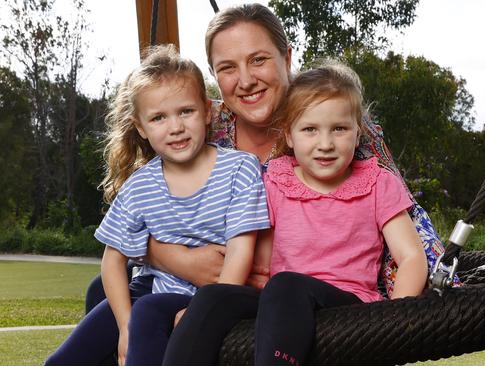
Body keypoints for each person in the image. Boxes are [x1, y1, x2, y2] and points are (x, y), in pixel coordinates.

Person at [85, 2, 446, 363]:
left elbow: (409, 235)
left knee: (276, 293)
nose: (245, 80)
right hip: (211, 281)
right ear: (214, 76)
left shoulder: (342, 123)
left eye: (258, 60)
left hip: (309, 289)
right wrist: (177, 259)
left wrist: (398, 309)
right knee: (104, 291)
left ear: (287, 58)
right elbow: (146, 212)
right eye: (228, 67)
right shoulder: (195, 122)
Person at [162, 61, 428, 366]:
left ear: (357, 134)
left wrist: (392, 323)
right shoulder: (276, 180)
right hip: (280, 302)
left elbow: (411, 257)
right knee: (211, 299)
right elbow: (261, 265)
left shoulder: (377, 182)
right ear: (289, 135)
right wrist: (202, 313)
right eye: (310, 130)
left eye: (339, 129)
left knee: (288, 284)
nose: (325, 144)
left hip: (348, 306)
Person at [45, 45, 270, 366]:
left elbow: (240, 250)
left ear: (207, 111)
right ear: (141, 127)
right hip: (152, 288)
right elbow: (112, 262)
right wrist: (124, 327)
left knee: (148, 316)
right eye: (159, 118)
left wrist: (207, 310)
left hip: (217, 295)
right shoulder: (140, 186)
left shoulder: (239, 169)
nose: (175, 126)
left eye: (186, 112)